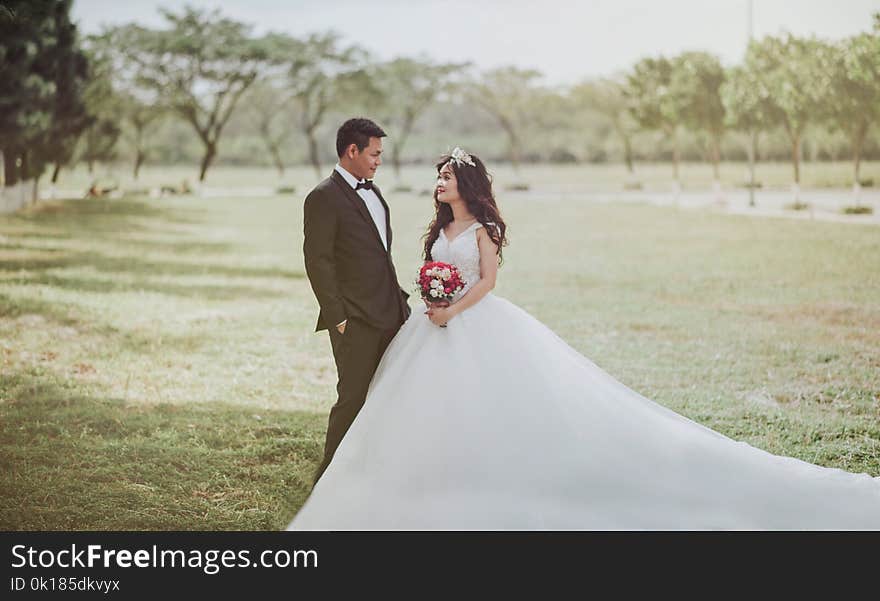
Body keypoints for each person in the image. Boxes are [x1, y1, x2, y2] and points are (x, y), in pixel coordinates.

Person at [288, 147, 880, 529]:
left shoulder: (485, 228)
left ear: (464, 182)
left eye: (444, 177)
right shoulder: (441, 226)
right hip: (430, 325)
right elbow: (429, 267)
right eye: (438, 177)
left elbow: (489, 281)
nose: (437, 184)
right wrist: (432, 302)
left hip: (469, 322)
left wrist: (452, 308)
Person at [302, 118, 411, 484]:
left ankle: (376, 474)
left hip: (392, 315)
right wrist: (339, 318)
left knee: (390, 397)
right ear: (352, 151)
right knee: (352, 401)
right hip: (355, 321)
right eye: (374, 154)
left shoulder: (375, 193)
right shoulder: (323, 197)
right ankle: (327, 482)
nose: (379, 161)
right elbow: (318, 261)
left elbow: (380, 256)